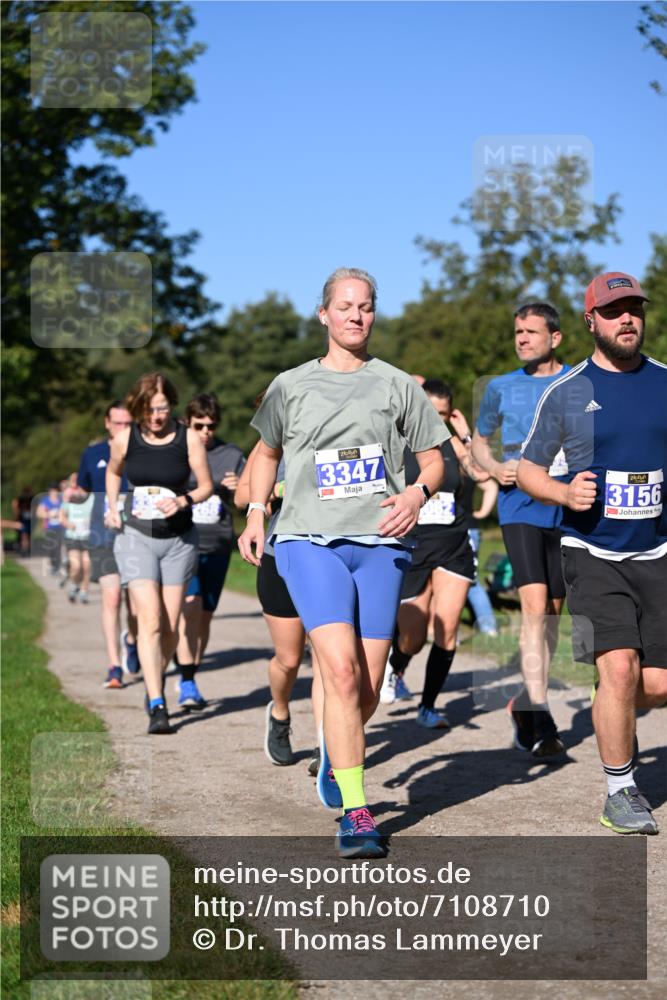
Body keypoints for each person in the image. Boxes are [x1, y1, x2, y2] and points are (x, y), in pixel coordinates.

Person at [238, 267, 446, 858]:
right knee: (342, 673)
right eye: (346, 306)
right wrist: (257, 513)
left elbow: (435, 462)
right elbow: (265, 453)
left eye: (367, 306)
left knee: (369, 684)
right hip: (308, 541)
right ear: (324, 315)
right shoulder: (291, 384)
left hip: (379, 544)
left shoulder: (397, 385)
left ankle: (338, 746)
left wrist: (414, 495)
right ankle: (358, 813)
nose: (357, 315)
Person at [518, 271, 667, 835]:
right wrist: (562, 492)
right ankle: (620, 790)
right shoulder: (569, 391)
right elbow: (529, 468)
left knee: (652, 684)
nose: (626, 318)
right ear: (590, 321)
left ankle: (614, 702)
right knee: (621, 666)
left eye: (633, 309)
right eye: (613, 310)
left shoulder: (664, 383)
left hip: (657, 549)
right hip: (591, 549)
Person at [473, 303, 571, 758]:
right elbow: (479, 440)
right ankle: (540, 706)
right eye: (518, 332)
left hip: (569, 507)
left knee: (552, 611)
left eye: (532, 331)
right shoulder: (500, 388)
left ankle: (523, 705)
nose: (523, 339)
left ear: (556, 337)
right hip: (520, 507)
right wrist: (495, 468)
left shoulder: (578, 383)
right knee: (534, 607)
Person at [106, 373, 213, 735]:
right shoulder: (126, 438)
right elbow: (113, 472)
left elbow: (207, 486)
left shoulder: (189, 439)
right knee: (149, 619)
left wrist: (183, 499)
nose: (156, 416)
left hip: (179, 539)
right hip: (136, 536)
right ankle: (157, 701)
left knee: (169, 627)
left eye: (163, 408)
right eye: (150, 410)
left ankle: (155, 675)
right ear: (139, 408)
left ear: (172, 405)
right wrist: (111, 506)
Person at [381, 379, 485, 723]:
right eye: (431, 412)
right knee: (412, 636)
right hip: (412, 544)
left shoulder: (453, 445)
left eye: (442, 414)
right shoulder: (397, 442)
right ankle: (394, 667)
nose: (436, 420)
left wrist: (465, 435)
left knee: (447, 628)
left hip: (453, 544)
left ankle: (427, 707)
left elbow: (482, 476)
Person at [236, 422, 324, 769]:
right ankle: (281, 713)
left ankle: (326, 744)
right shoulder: (271, 443)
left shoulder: (338, 435)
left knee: (326, 658)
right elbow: (242, 496)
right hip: (280, 555)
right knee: (289, 659)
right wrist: (272, 493)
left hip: (328, 556)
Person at [174, 394, 246, 710]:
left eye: (211, 426)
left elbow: (249, 496)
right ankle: (186, 680)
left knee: (204, 616)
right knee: (190, 606)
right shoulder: (176, 452)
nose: (206, 432)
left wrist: (239, 487)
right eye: (199, 425)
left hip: (217, 542)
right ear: (187, 422)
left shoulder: (230, 454)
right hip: (182, 540)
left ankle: (190, 673)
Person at [76, 400, 137, 690]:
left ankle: (133, 640)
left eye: (128, 424)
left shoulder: (142, 450)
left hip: (138, 535)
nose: (123, 428)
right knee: (112, 598)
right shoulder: (93, 454)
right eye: (118, 423)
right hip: (103, 535)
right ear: (107, 423)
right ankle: (114, 667)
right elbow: (85, 487)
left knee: (136, 605)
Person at [460, 473, 499, 636]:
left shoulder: (461, 463)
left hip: (460, 528)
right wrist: (481, 513)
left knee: (466, 582)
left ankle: (487, 626)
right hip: (469, 528)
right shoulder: (467, 464)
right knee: (471, 581)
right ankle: (488, 627)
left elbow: (491, 486)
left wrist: (482, 513)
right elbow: (491, 486)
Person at [59, 475, 94, 603]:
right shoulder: (69, 499)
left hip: (88, 536)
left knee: (87, 565)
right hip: (73, 536)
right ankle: (74, 584)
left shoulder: (92, 498)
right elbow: (61, 516)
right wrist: (68, 523)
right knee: (76, 565)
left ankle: (84, 591)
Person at [36, 483, 63, 577]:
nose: (54, 492)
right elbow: (39, 513)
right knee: (51, 548)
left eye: (56, 490)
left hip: (60, 527)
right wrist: (49, 515)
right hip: (49, 528)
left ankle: (57, 567)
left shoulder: (61, 500)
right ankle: (53, 565)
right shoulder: (45, 501)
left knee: (58, 548)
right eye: (52, 490)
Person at [12, 485, 33, 556]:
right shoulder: (20, 500)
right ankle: (24, 549)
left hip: (30, 520)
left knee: (29, 534)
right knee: (23, 534)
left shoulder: (31, 499)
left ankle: (28, 548)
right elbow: (15, 507)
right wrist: (17, 516)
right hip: (23, 519)